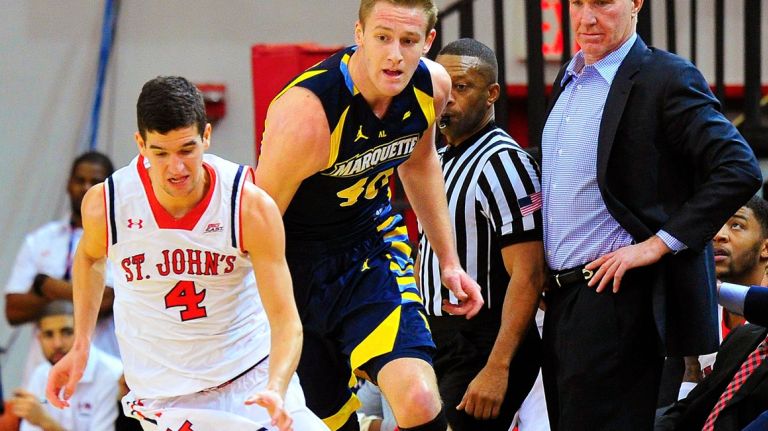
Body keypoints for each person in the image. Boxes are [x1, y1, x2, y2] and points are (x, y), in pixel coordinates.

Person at [44, 76, 327, 431]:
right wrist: (81, 343)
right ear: (141, 144)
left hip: (251, 380)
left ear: (206, 136)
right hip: (167, 399)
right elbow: (88, 258)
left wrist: (277, 386)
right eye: (160, 153)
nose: (176, 168)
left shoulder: (247, 205)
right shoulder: (109, 204)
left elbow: (287, 322)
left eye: (187, 150)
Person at [254, 1, 484, 430]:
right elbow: (260, 222)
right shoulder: (307, 114)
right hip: (295, 268)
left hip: (369, 249)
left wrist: (449, 261)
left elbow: (420, 163)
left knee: (417, 397)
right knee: (330, 422)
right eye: (383, 37)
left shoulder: (430, 86)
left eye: (409, 40)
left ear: (428, 42)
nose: (395, 54)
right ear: (358, 33)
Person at [540, 0, 762, 429]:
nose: (587, 18)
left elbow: (739, 167)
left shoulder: (665, 76)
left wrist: (658, 244)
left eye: (603, 3)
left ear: (636, 2)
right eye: (578, 3)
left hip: (621, 299)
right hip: (564, 298)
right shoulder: (568, 79)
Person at [416, 38, 543, 431]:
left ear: (491, 95)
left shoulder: (503, 163)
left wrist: (498, 367)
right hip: (438, 336)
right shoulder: (434, 159)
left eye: (462, 86)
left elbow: (530, 274)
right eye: (441, 87)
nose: (447, 98)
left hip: (483, 342)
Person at [654, 196, 768, 430]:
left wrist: (705, 288)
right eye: (713, 225)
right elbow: (687, 409)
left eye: (736, 225)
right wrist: (691, 375)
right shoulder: (740, 338)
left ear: (766, 246)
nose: (719, 235)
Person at [5, 151, 119, 384]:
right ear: (68, 184)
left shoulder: (122, 239)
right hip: (43, 369)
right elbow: (13, 310)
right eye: (80, 180)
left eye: (95, 182)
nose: (86, 187)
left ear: (109, 190)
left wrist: (47, 286)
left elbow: (105, 302)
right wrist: (80, 292)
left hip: (103, 370)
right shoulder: (40, 239)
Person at [12, 301, 122, 431]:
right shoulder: (40, 374)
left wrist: (45, 422)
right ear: (39, 339)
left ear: (86, 334)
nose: (57, 344)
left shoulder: (112, 374)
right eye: (49, 335)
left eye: (67, 332)